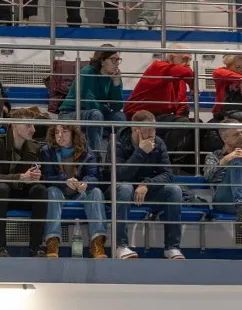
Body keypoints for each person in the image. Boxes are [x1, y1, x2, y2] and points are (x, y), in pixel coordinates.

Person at [113, 110, 184, 260]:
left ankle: (172, 247)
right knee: (125, 188)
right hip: (122, 190)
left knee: (174, 191)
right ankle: (121, 246)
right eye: (147, 130)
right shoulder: (118, 143)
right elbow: (119, 175)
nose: (152, 134)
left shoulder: (158, 142)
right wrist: (140, 152)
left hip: (146, 189)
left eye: (154, 129)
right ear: (135, 130)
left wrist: (147, 185)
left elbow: (167, 174)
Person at [0, 109, 48, 257]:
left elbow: (42, 175)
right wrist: (21, 177)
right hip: (2, 195)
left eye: (33, 125)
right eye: (28, 125)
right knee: (1, 188)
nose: (33, 129)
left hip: (24, 194)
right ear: (14, 125)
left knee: (40, 190)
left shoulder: (34, 147)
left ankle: (36, 247)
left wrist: (37, 176)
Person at [124, 47, 198, 171]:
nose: (188, 63)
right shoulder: (158, 66)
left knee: (196, 124)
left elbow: (181, 104)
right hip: (140, 115)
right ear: (171, 57)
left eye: (189, 60)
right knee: (182, 123)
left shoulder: (179, 79)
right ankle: (159, 160)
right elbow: (186, 72)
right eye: (184, 59)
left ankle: (183, 165)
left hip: (159, 115)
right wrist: (193, 86)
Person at [41, 124, 108, 259]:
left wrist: (86, 183)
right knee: (52, 191)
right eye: (57, 132)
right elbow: (46, 177)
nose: (60, 136)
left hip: (79, 193)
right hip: (59, 192)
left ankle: (97, 243)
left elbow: (94, 175)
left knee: (95, 192)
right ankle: (52, 242)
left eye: (64, 132)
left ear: (73, 134)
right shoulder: (47, 151)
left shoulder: (85, 150)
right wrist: (64, 181)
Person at [57, 46, 126, 156]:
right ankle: (95, 158)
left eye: (118, 60)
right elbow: (89, 102)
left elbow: (117, 107)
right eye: (113, 59)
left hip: (97, 113)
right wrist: (106, 107)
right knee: (96, 114)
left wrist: (116, 84)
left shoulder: (115, 76)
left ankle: (118, 157)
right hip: (70, 113)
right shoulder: (88, 71)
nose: (117, 63)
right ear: (102, 61)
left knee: (120, 117)